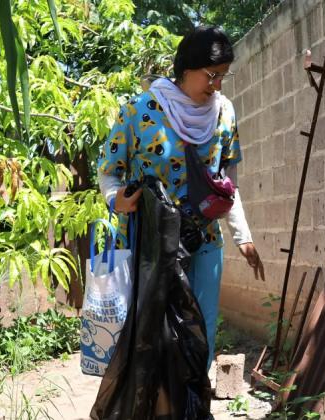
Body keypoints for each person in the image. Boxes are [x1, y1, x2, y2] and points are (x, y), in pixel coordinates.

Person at [97, 25, 265, 368]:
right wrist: (117, 199)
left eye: (223, 77)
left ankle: (196, 403)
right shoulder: (138, 112)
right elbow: (108, 171)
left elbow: (227, 183)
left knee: (200, 331)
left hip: (205, 240)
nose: (217, 85)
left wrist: (242, 235)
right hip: (152, 245)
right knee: (153, 335)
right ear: (186, 70)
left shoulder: (225, 113)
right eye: (212, 75)